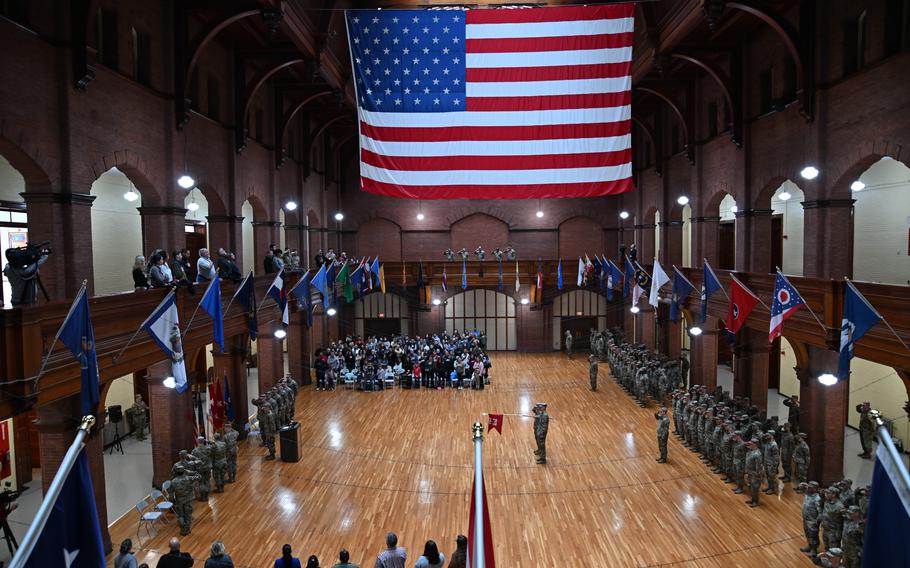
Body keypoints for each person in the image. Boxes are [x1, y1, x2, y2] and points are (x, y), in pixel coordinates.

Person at [170, 464, 201, 535]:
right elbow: (199, 477)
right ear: (184, 471)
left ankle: (183, 530)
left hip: (179, 501)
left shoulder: (173, 481)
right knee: (188, 515)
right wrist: (189, 472)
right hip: (188, 499)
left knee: (180, 516)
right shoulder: (189, 478)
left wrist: (172, 502)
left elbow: (171, 494)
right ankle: (187, 529)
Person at [799, 482, 823, 557]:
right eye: (808, 487)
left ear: (815, 489)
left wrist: (817, 522)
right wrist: (803, 484)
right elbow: (800, 487)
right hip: (806, 519)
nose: (808, 488)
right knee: (807, 534)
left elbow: (820, 512)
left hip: (812, 521)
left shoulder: (817, 498)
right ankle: (809, 546)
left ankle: (814, 550)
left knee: (813, 535)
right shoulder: (808, 494)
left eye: (811, 487)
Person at [744, 438, 763, 507]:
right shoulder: (750, 451)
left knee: (754, 488)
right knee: (750, 487)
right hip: (749, 472)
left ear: (755, 445)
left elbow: (759, 467)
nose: (749, 445)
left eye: (751, 444)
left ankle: (756, 501)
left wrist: (758, 476)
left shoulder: (757, 454)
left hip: (754, 474)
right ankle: (752, 499)